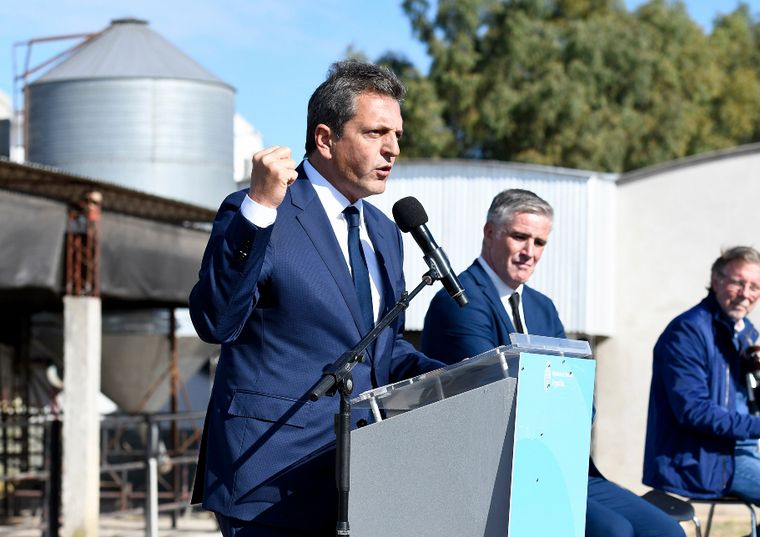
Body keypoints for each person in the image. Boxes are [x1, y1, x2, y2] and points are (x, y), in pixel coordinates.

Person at [188, 60, 445, 537]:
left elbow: (380, 349)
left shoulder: (386, 233)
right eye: (375, 133)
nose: (392, 149)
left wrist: (464, 376)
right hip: (266, 477)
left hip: (358, 480)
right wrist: (259, 210)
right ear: (325, 139)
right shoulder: (261, 211)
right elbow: (215, 322)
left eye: (397, 135)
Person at [422, 188, 686, 537]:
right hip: (500, 472)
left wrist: (571, 412)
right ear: (490, 233)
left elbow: (578, 390)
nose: (529, 252)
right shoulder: (460, 301)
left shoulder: (542, 306)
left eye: (540, 242)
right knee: (614, 531)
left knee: (666, 531)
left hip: (559, 464)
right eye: (520, 237)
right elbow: (492, 397)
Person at [644, 247, 760, 513]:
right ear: (716, 280)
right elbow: (694, 411)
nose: (746, 294)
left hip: (738, 454)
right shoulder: (688, 332)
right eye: (737, 282)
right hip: (702, 459)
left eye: (754, 286)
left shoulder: (744, 333)